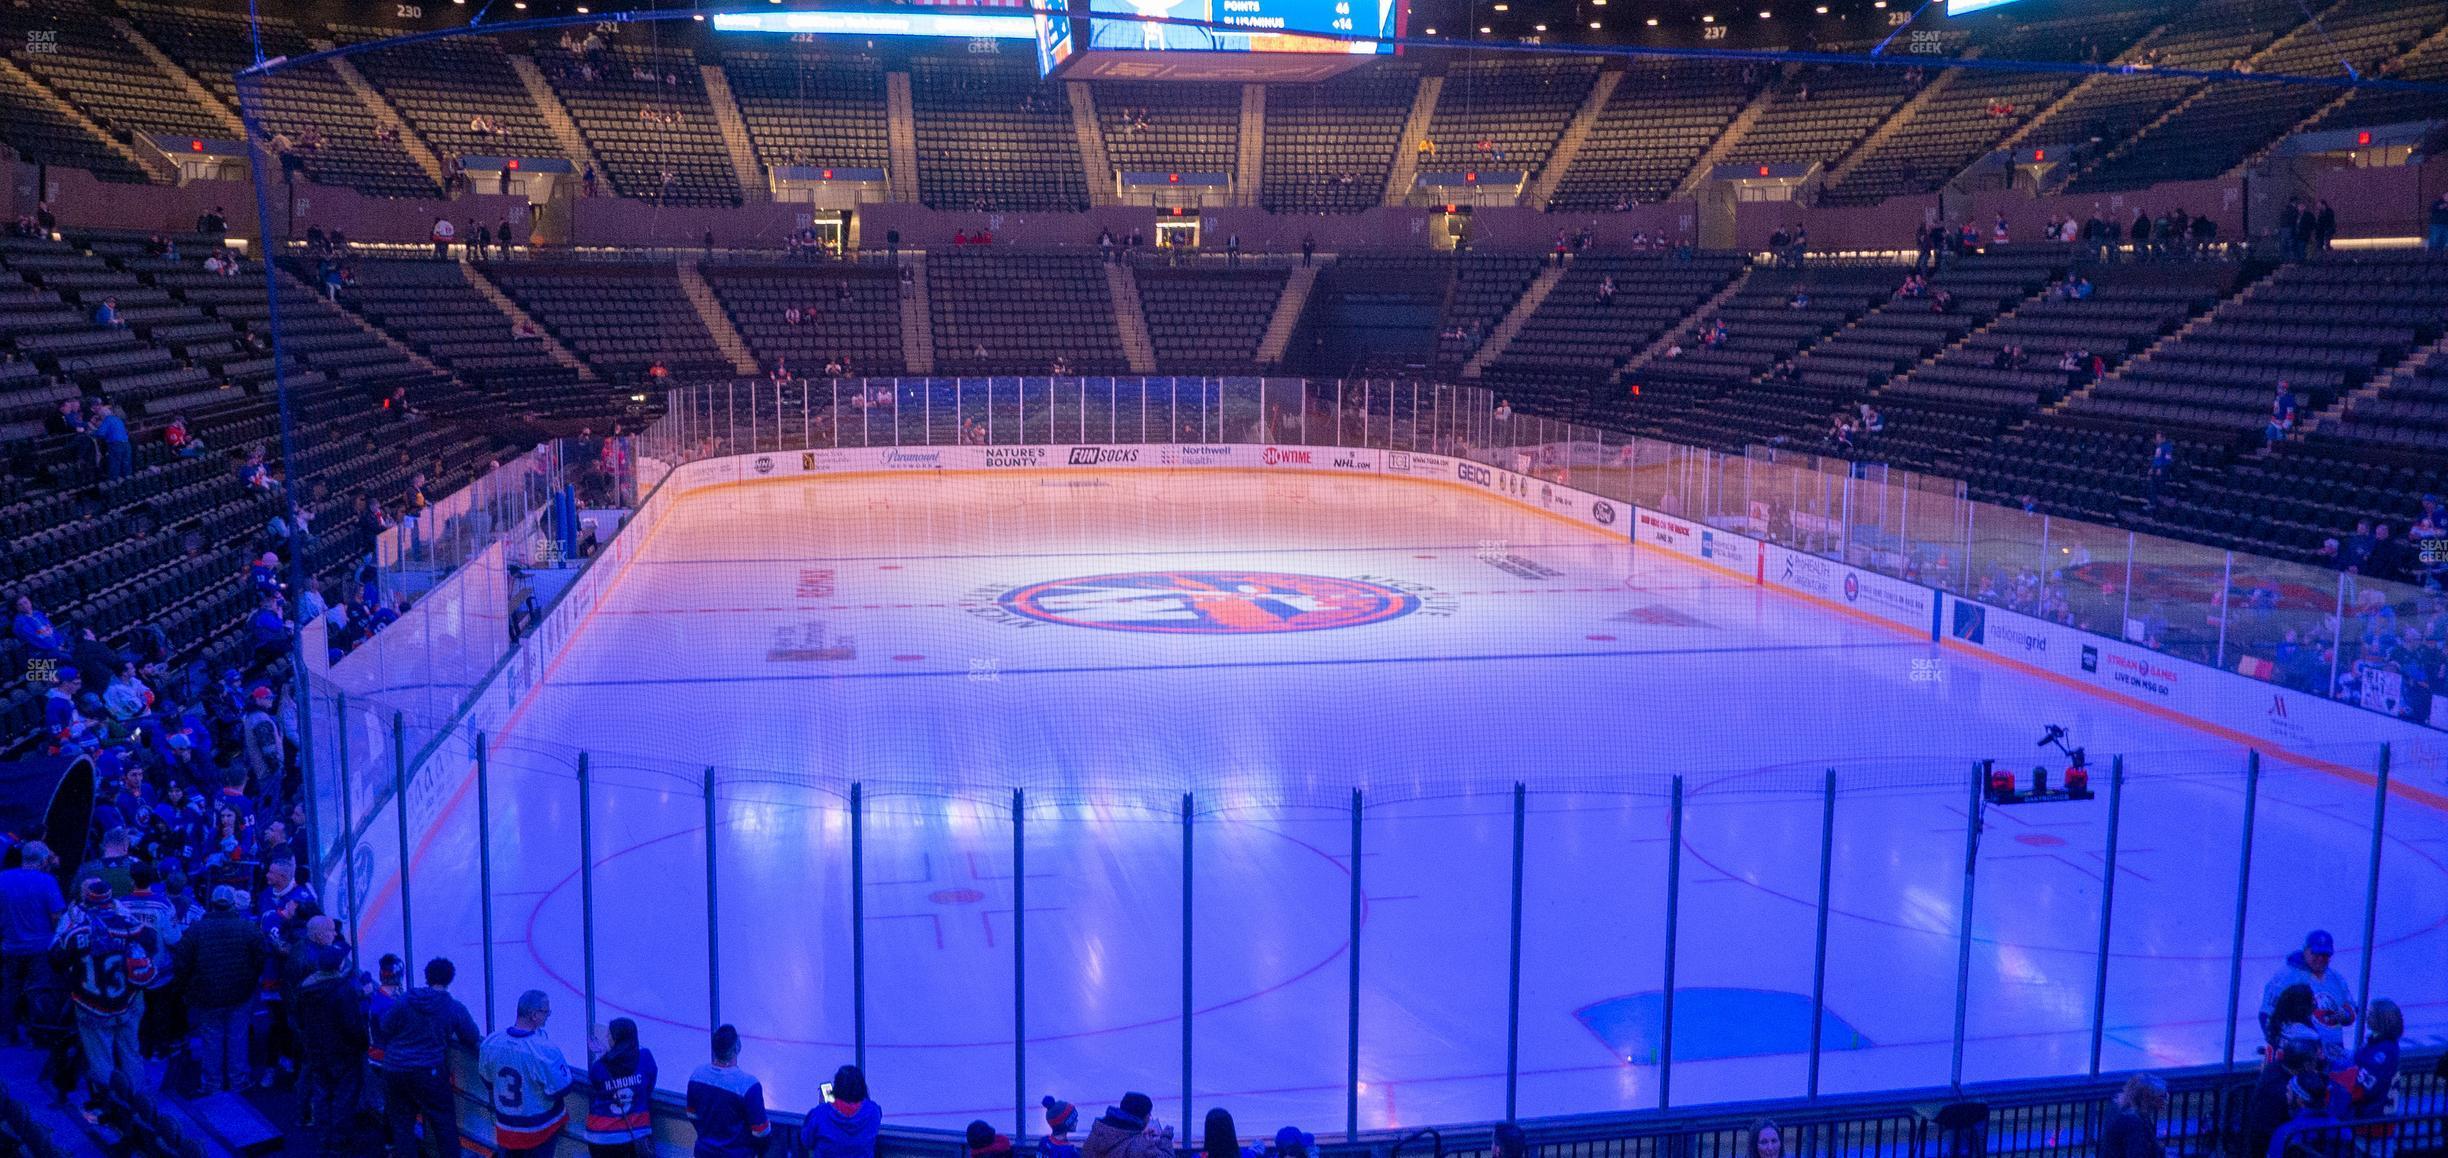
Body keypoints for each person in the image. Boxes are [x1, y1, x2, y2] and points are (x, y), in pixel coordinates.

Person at [53, 878, 159, 1109]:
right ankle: (138, 1102)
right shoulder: (129, 924)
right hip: (128, 1000)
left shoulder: (76, 928)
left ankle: (110, 1105)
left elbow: (55, 957)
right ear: (110, 899)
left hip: (91, 1003)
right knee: (131, 1051)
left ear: (86, 899)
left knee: (101, 1057)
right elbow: (152, 942)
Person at [377, 957, 481, 1158]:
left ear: (426, 977)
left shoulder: (406, 999)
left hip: (395, 1068)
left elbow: (386, 1026)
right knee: (443, 1125)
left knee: (402, 1125)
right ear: (450, 979)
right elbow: (472, 1036)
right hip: (428, 1072)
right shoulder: (453, 1007)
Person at [176, 884, 263, 1092]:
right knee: (237, 1037)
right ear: (233, 904)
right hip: (240, 994)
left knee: (211, 1037)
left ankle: (212, 1083)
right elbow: (260, 959)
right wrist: (249, 981)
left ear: (211, 904)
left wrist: (187, 989)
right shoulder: (248, 928)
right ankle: (238, 1081)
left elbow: (182, 963)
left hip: (207, 995)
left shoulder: (196, 930)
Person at [293, 937, 367, 1153]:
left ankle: (323, 1136)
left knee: (322, 1093)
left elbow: (299, 1018)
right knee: (344, 1096)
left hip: (316, 1050)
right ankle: (340, 1140)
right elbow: (352, 1026)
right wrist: (362, 1043)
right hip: (342, 1053)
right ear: (339, 966)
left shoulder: (305, 988)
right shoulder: (342, 992)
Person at [480, 989, 574, 1154]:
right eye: (546, 1012)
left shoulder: (491, 1042)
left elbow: (488, 1081)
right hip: (538, 1130)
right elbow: (560, 1089)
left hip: (505, 1127)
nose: (548, 1015)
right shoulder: (544, 1050)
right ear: (534, 1015)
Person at [0, 842, 65, 1045]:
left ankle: (6, 1035)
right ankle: (38, 1036)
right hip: (41, 947)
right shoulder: (47, 881)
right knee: (39, 990)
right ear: (44, 860)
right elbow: (57, 916)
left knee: (9, 989)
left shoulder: (3, 878)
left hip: (10, 945)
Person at [2260, 930, 2356, 1065]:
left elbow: (2351, 1008)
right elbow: (2266, 1014)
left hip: (2333, 1053)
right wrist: (2279, 1044)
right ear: (2306, 950)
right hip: (2298, 1055)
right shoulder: (2285, 977)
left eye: (2325, 955)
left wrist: (2345, 1014)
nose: (2321, 959)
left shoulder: (2336, 978)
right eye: (2316, 954)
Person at [686, 1024, 771, 1158]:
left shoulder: (697, 1076)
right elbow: (761, 1133)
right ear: (737, 1047)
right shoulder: (748, 1085)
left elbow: (692, 1115)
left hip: (704, 1152)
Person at [584, 1017, 657, 1156]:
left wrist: (604, 1055)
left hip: (600, 1136)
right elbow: (650, 1085)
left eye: (609, 1035)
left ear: (616, 1038)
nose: (607, 1038)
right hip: (635, 1134)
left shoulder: (599, 1066)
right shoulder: (645, 1057)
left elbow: (596, 1086)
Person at [803, 1062, 881, 1158]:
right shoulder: (873, 1111)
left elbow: (806, 1141)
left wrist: (822, 1107)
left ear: (836, 1087)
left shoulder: (819, 1114)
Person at [2096, 1074, 2166, 1158]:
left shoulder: (2120, 1109)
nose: (2165, 1101)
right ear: (2146, 1098)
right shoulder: (2133, 1122)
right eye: (2161, 1097)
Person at [1085, 1092, 1172, 1158]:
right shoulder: (1140, 1147)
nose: (1150, 1117)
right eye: (1149, 1114)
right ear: (1143, 1116)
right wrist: (1166, 1138)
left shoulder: (1097, 1133)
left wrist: (1140, 1135)